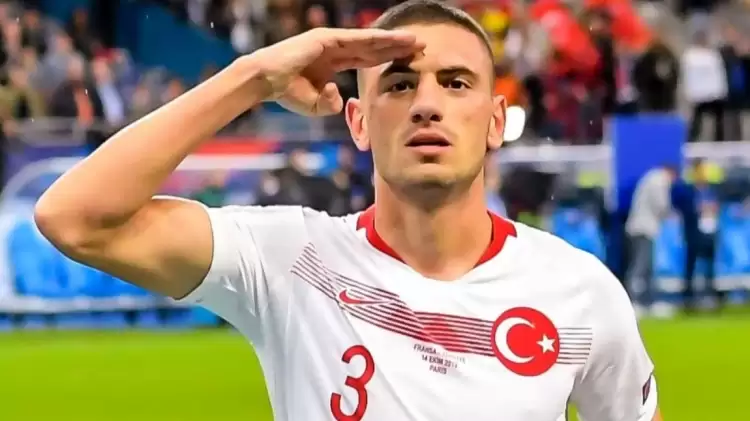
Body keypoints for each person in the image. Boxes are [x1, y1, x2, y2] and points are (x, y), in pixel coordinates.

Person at [35, 1, 661, 420]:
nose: (427, 104)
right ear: (358, 122)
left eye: (456, 83)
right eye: (399, 84)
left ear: (496, 121)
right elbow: (74, 218)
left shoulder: (580, 292)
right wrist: (254, 76)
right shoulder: (291, 261)